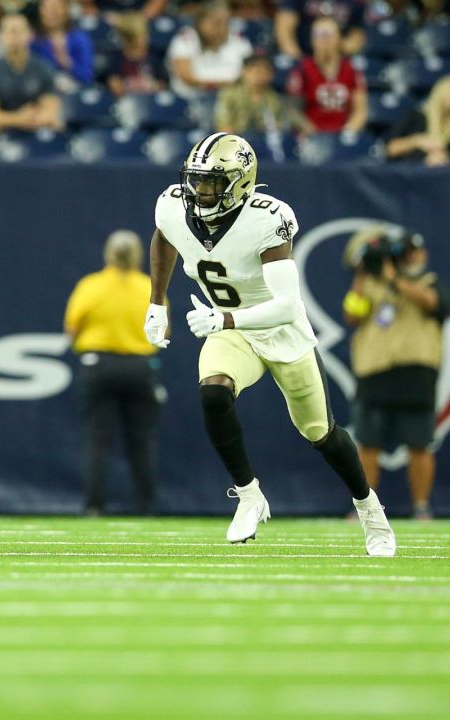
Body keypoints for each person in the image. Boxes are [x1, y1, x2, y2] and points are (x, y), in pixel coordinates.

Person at [143, 132, 396, 555]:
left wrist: (222, 317)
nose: (200, 191)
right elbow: (165, 236)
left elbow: (287, 306)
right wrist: (157, 302)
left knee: (320, 432)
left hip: (279, 331)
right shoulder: (172, 204)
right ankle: (248, 495)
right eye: (197, 180)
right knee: (213, 391)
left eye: (212, 182)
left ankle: (370, 510)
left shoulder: (266, 219)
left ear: (241, 182)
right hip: (232, 331)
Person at [341, 229, 448, 521]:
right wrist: (364, 273)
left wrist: (393, 278)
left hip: (416, 373)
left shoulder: (429, 282)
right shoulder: (370, 285)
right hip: (374, 370)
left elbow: (431, 303)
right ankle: (365, 507)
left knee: (419, 444)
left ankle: (421, 506)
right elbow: (352, 314)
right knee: (368, 443)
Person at [64, 231, 162, 515]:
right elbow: (162, 331)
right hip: (139, 366)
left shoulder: (91, 286)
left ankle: (95, 506)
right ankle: (147, 506)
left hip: (99, 365)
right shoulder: (149, 287)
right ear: (139, 255)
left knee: (98, 439)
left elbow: (71, 330)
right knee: (142, 439)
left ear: (108, 254)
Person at [0, 14, 64, 133]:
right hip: (3, 132)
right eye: (10, 31)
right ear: (1, 36)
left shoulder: (43, 67)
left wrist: (36, 118)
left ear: (30, 34)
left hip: (36, 128)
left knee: (57, 123)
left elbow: (50, 110)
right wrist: (19, 119)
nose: (15, 35)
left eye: (20, 30)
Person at [285, 16, 368, 134]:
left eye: (328, 34)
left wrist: (348, 132)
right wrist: (314, 133)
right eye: (318, 35)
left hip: (344, 133)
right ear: (312, 40)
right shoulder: (302, 70)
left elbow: (360, 110)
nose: (324, 40)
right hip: (311, 135)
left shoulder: (352, 70)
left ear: (339, 38)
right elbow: (293, 110)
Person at [166, 0, 253, 100]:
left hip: (232, 99)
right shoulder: (186, 39)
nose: (220, 27)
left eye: (225, 22)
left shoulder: (239, 40)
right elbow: (186, 77)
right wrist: (219, 84)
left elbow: (249, 74)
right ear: (200, 22)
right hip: (191, 99)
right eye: (215, 22)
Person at [214, 54, 313, 135]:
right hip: (236, 142)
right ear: (243, 72)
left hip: (264, 143)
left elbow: (277, 128)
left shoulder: (274, 99)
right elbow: (224, 125)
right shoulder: (229, 95)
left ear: (271, 75)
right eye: (254, 70)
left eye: (264, 70)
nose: (259, 74)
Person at [386, 74, 450, 165]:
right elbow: (390, 149)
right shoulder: (417, 116)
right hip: (414, 173)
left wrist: (446, 158)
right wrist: (417, 141)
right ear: (443, 92)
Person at [30, 0, 95, 89]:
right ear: (41, 11)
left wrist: (67, 61)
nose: (52, 12)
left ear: (65, 10)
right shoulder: (34, 42)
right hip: (45, 95)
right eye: (47, 8)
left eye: (56, 8)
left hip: (76, 92)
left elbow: (87, 77)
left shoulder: (79, 38)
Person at [275, 0, 364, 59]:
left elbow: (357, 36)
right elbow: (284, 33)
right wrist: (299, 60)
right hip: (303, 55)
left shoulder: (353, 3)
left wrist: (338, 61)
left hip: (338, 57)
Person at [105, 13, 166, 96]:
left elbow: (162, 85)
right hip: (127, 103)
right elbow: (115, 85)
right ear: (128, 38)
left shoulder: (155, 55)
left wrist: (154, 86)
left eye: (145, 34)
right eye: (139, 36)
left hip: (151, 102)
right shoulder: (116, 58)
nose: (144, 39)